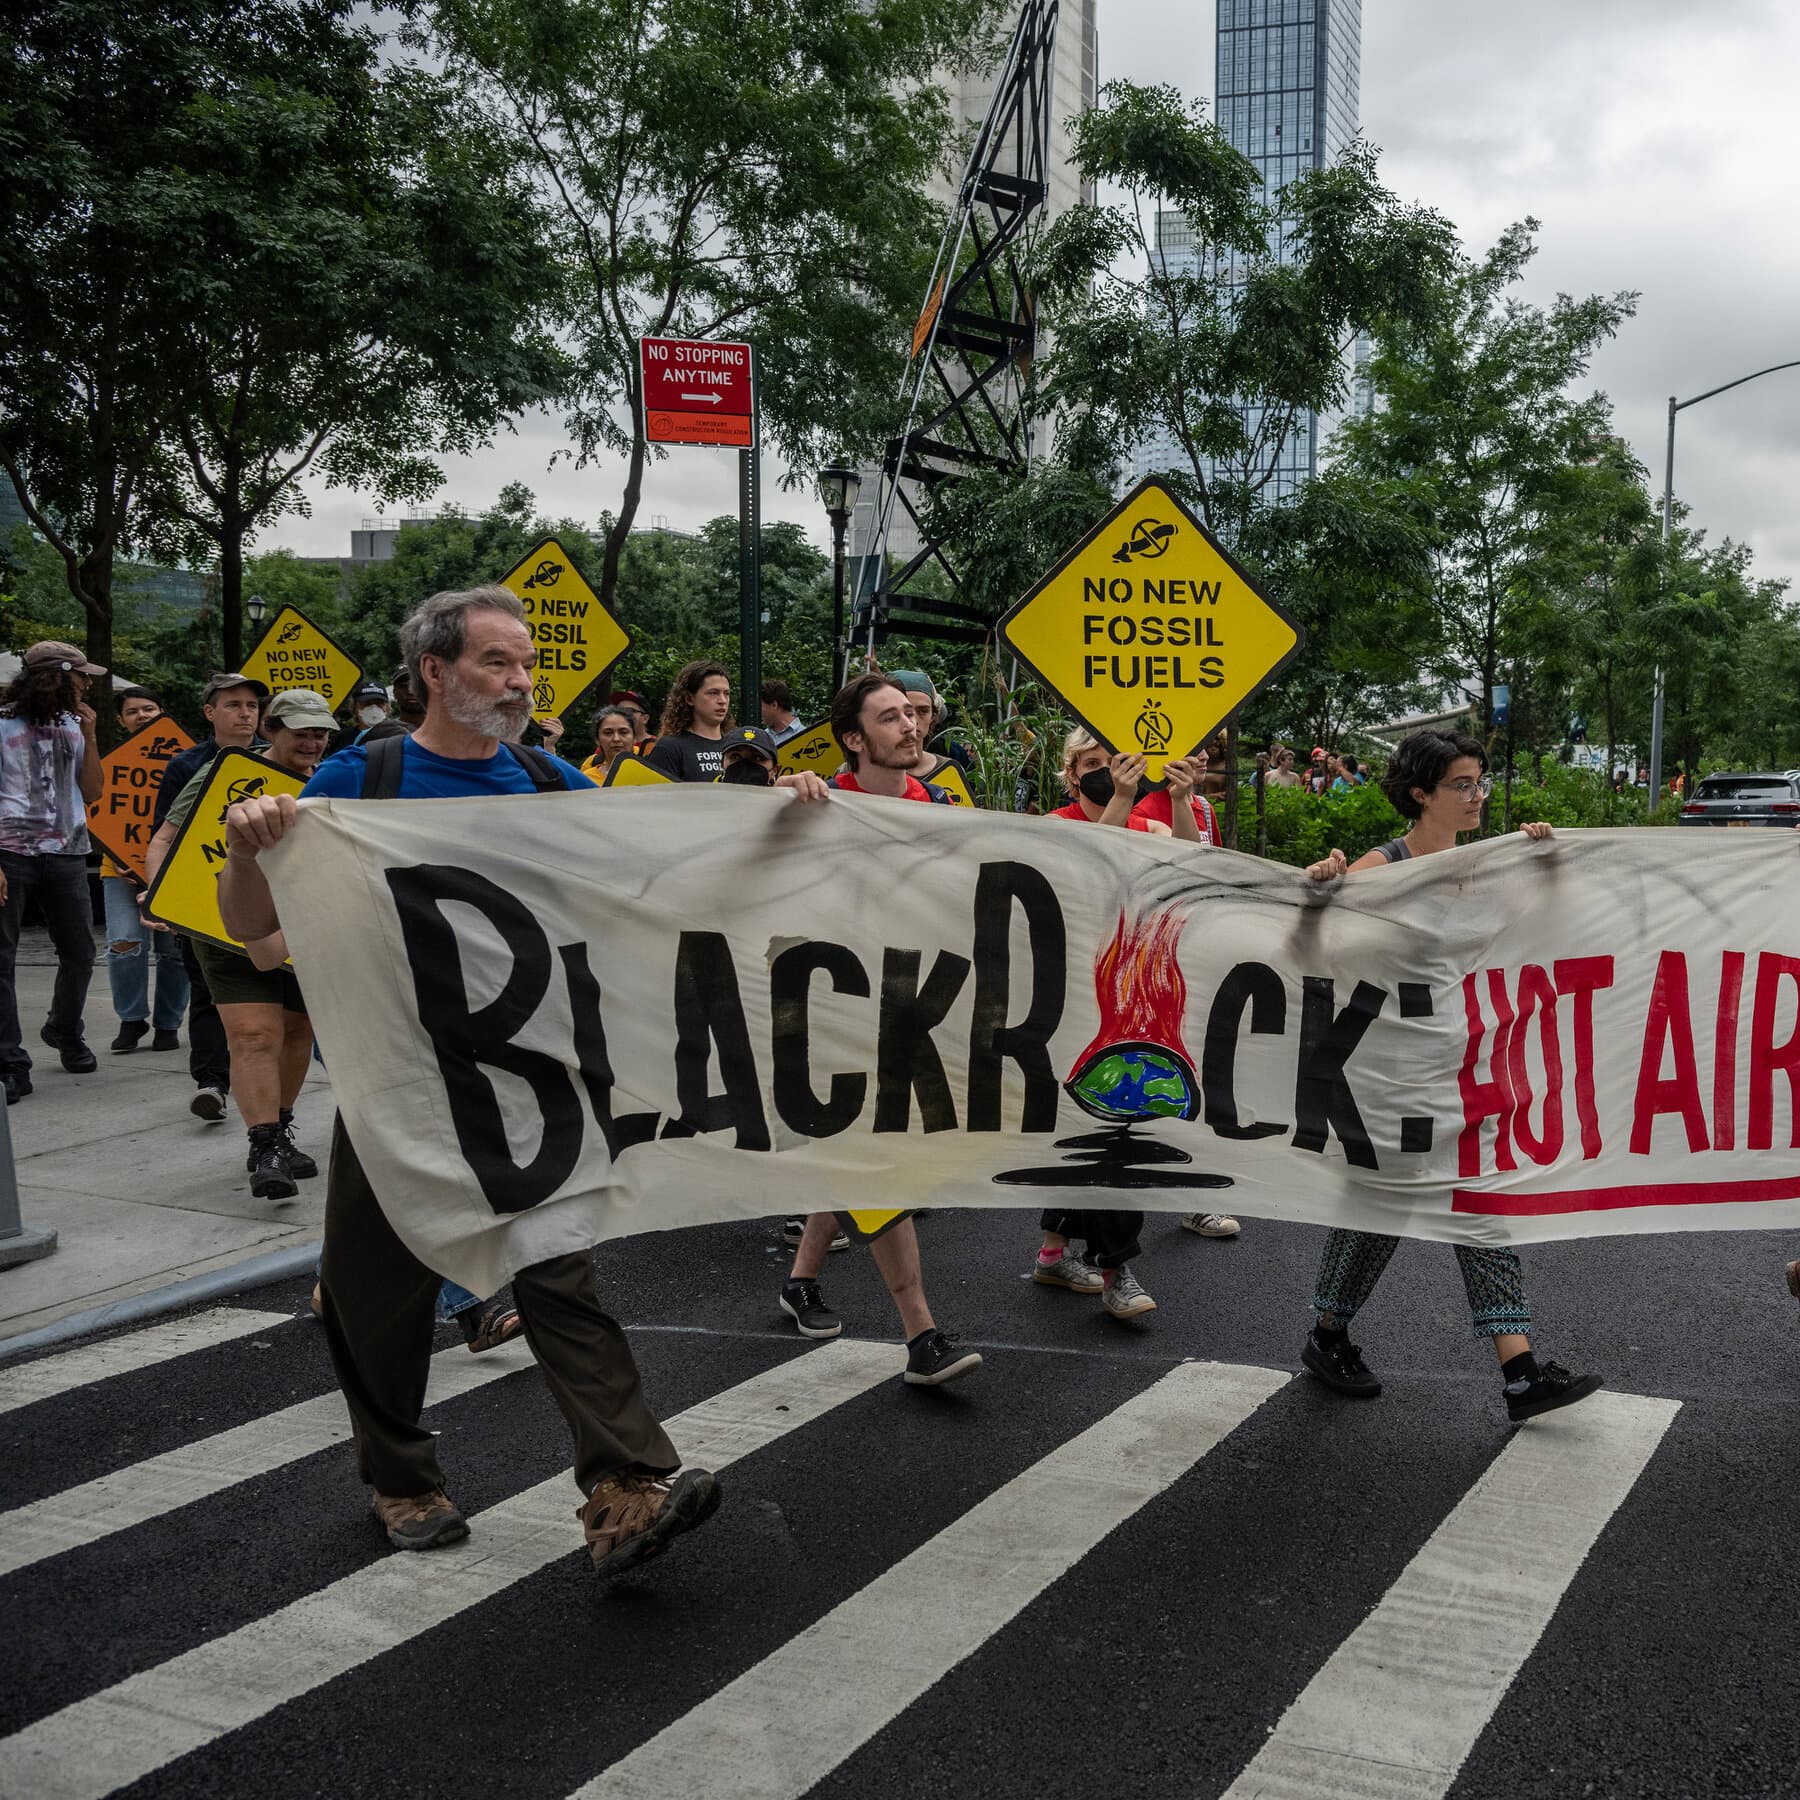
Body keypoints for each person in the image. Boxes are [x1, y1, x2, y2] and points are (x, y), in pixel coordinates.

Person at [220, 584, 721, 1573]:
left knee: (559, 1273)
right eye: (497, 662)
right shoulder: (363, 781)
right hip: (394, 1086)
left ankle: (626, 1488)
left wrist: (788, 816)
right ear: (435, 672)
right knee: (377, 1296)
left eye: (527, 663)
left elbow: (668, 867)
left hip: (527, 1085)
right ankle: (403, 1483)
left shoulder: (546, 779)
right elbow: (252, 929)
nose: (521, 680)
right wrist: (246, 848)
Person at [1299, 729, 1602, 1423]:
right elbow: (1314, 944)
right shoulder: (1387, 865)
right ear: (1420, 794)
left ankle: (1518, 1371)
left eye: (1480, 783)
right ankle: (1332, 1336)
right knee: (1385, 1207)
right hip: (1393, 1069)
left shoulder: (1487, 863)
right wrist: (1320, 889)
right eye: (1462, 785)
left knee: (1469, 1198)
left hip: (1462, 1060)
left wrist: (1546, 864)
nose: (1478, 796)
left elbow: (1544, 934)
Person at [777, 674, 980, 1386]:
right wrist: (778, 808)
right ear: (854, 740)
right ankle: (921, 1333)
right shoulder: (814, 804)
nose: (911, 726)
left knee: (854, 1152)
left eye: (913, 714)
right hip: (835, 1012)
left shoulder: (942, 807)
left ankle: (801, 1279)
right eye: (891, 718)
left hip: (914, 1004)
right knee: (875, 1155)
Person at [147, 689, 334, 1199]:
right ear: (271, 730)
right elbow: (165, 838)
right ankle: (265, 1145)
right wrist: (161, 893)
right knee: (254, 1035)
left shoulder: (336, 782)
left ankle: (283, 1125)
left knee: (297, 1031)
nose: (313, 740)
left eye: (321, 731)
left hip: (302, 926)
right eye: (301, 730)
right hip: (223, 920)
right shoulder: (222, 775)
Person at [153, 671, 269, 1124]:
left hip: (263, 904)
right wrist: (161, 893)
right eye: (234, 705)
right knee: (204, 993)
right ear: (210, 712)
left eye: (252, 707)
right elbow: (165, 834)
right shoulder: (187, 766)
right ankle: (211, 1083)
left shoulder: (274, 760)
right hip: (201, 902)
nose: (245, 714)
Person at [0, 640, 106, 1101]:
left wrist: (93, 734)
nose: (86, 683)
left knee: (81, 952)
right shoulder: (2, 723)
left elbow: (94, 791)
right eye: (80, 675)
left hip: (66, 850)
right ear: (57, 677)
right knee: (1, 961)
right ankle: (10, 1061)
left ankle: (64, 1029)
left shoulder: (75, 723)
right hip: (9, 851)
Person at [102, 687, 188, 1053]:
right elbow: (90, 812)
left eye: (149, 708)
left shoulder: (187, 760)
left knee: (173, 951)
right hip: (117, 869)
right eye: (133, 711)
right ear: (121, 721)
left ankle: (168, 1024)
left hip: (173, 870)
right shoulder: (107, 763)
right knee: (124, 945)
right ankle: (131, 1019)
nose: (142, 715)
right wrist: (107, 848)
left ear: (162, 712)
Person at [646, 661, 732, 782]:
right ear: (689, 698)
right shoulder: (669, 748)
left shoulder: (736, 746)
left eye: (726, 694)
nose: (722, 700)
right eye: (713, 693)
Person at [886, 667, 971, 774]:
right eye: (904, 711)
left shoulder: (948, 770)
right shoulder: (868, 774)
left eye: (923, 711)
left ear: (933, 717)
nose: (913, 721)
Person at [579, 706, 638, 783]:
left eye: (623, 732)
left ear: (634, 738)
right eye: (608, 733)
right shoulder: (587, 779)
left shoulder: (649, 771)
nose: (616, 739)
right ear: (597, 739)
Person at [759, 678, 804, 745]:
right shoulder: (761, 738)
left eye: (761, 706)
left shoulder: (805, 737)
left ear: (774, 705)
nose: (759, 711)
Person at [391, 664, 426, 732]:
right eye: (403, 686)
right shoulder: (387, 732)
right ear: (394, 693)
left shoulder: (445, 727)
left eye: (416, 686)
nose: (410, 691)